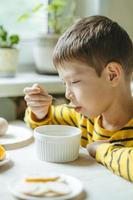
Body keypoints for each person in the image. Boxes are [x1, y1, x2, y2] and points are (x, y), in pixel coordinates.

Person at [24, 15, 133, 182]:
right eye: (64, 83)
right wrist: (40, 111)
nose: (68, 94)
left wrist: (102, 150)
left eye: (74, 82)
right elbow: (43, 122)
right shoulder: (83, 117)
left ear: (112, 75)